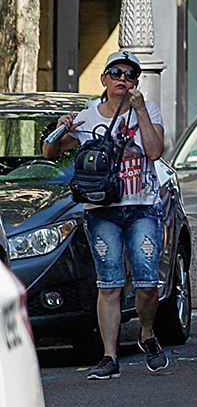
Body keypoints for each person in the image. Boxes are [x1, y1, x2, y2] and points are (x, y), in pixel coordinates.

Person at [43, 52, 169, 379]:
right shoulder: (87, 116)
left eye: (130, 75)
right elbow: (50, 151)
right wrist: (60, 130)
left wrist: (140, 109)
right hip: (101, 210)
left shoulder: (148, 111)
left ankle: (146, 332)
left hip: (142, 205)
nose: (123, 79)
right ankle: (109, 355)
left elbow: (155, 151)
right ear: (105, 79)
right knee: (109, 283)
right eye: (116, 73)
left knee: (146, 280)